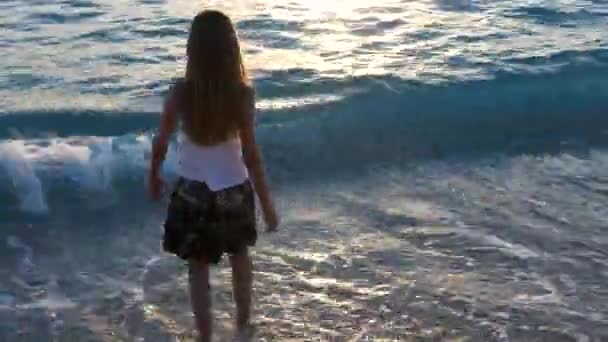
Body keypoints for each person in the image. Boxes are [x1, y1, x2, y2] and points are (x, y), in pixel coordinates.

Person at [147, 9, 279, 342]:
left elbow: (161, 141)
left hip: (192, 191)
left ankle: (204, 335)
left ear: (191, 50)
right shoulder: (241, 95)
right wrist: (267, 204)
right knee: (239, 256)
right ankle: (243, 323)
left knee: (198, 265)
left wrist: (153, 175)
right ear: (232, 50)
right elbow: (251, 156)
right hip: (233, 188)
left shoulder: (180, 93)